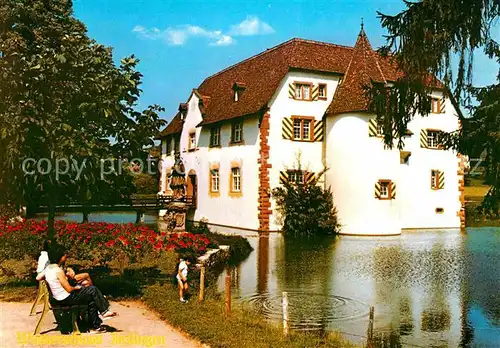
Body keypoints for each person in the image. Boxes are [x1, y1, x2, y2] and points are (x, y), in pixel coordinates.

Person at [37, 245, 117, 333]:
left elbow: (38, 278)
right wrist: (77, 287)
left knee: (90, 297)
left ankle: (95, 325)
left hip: (59, 297)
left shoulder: (49, 268)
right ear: (60, 257)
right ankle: (103, 312)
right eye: (64, 255)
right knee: (92, 289)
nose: (66, 256)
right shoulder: (58, 271)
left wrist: (48, 279)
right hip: (66, 298)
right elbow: (69, 289)